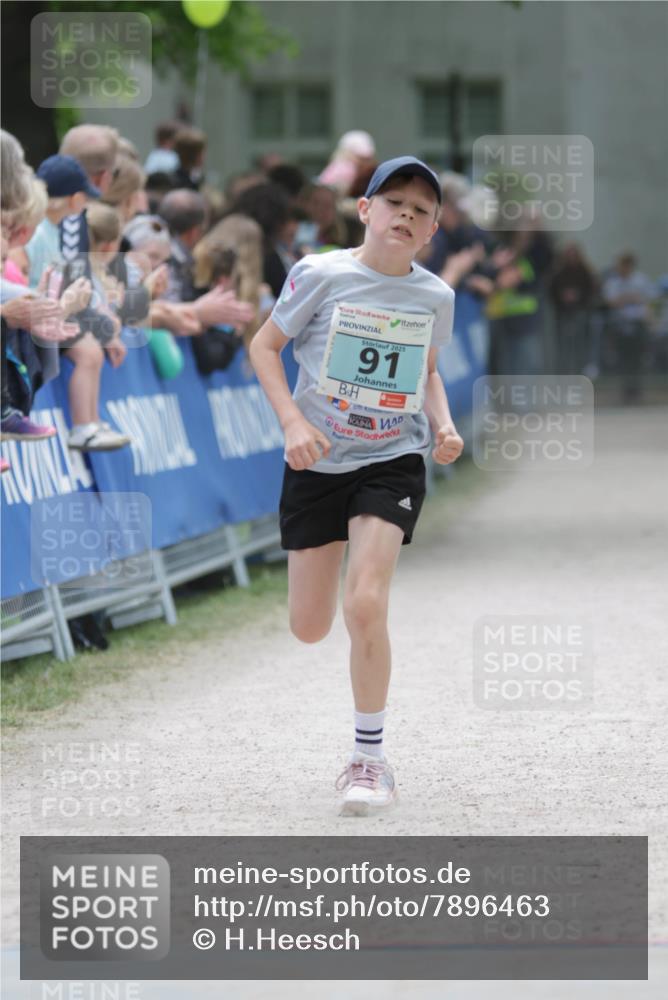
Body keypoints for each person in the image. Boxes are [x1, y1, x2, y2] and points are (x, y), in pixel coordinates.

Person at [249, 156, 463, 816]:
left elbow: (425, 370)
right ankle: (364, 750)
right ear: (364, 211)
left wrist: (444, 424)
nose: (406, 213)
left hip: (390, 458)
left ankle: (368, 759)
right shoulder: (320, 273)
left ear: (431, 231)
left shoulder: (435, 297)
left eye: (421, 209)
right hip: (316, 461)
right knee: (310, 626)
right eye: (393, 200)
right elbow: (263, 347)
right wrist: (291, 423)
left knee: (365, 602)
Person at [602, 252, 655, 402]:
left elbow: (647, 298)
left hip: (638, 323)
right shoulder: (613, 282)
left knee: (637, 358)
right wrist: (630, 298)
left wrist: (628, 299)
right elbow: (612, 301)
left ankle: (637, 391)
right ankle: (624, 391)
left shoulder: (641, 280)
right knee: (622, 358)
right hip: (619, 324)